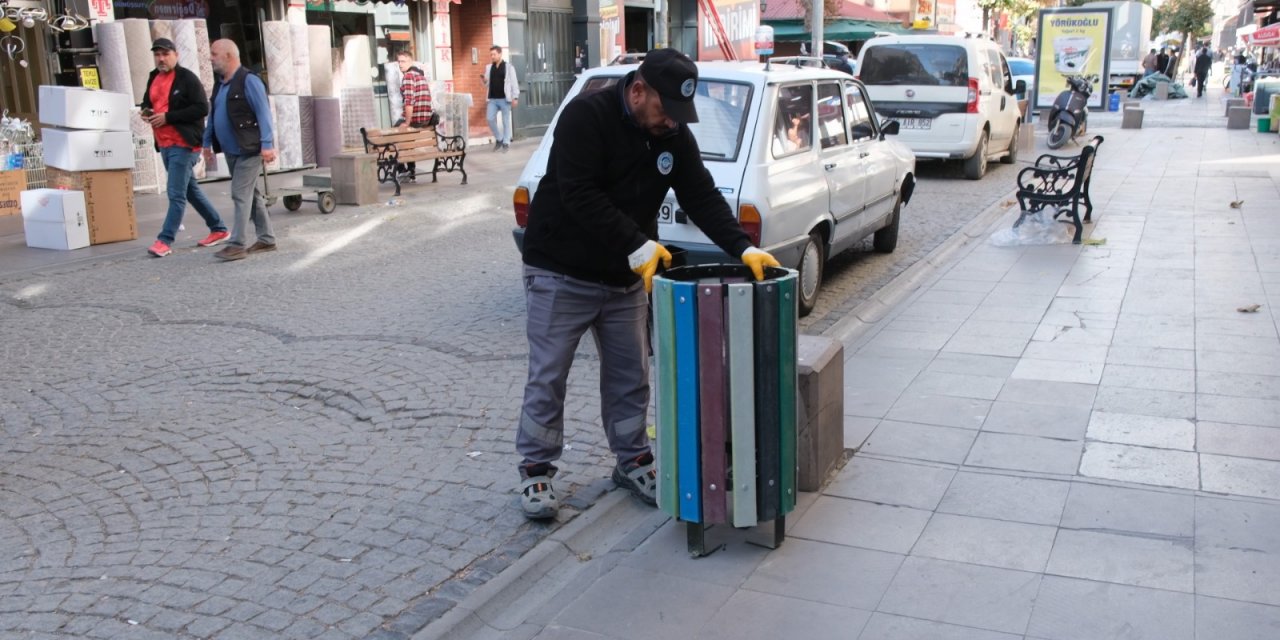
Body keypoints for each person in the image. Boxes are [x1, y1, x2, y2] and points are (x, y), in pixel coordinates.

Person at [515, 48, 780, 520]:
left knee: (631, 376)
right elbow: (579, 194)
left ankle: (633, 459)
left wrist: (742, 248)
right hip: (560, 269)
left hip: (624, 278)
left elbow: (700, 194)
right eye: (665, 109)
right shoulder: (586, 116)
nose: (672, 121)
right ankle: (536, 469)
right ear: (638, 91)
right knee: (549, 374)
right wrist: (637, 244)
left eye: (680, 112)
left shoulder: (672, 134)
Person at [141, 38, 229, 258]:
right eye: (157, 55)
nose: (161, 59)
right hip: (164, 143)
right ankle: (219, 228)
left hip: (184, 143)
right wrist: (146, 111)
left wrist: (168, 117)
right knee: (190, 190)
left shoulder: (187, 78)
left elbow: (202, 108)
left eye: (165, 54)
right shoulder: (153, 77)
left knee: (175, 193)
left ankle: (164, 240)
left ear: (176, 55)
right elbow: (147, 101)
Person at [203, 39, 277, 261]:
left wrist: (267, 145)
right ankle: (267, 239)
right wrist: (206, 143)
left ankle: (237, 244)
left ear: (228, 56)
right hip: (232, 150)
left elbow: (264, 114)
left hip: (249, 150)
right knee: (251, 196)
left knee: (240, 193)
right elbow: (213, 115)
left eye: (214, 54)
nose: (210, 58)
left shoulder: (249, 81)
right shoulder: (220, 84)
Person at [396, 50, 433, 181]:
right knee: (407, 139)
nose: (400, 64)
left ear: (410, 62)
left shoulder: (408, 76)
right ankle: (411, 171)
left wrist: (407, 122)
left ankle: (402, 171)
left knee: (392, 136)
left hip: (416, 118)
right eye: (399, 62)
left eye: (403, 61)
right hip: (425, 118)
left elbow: (409, 101)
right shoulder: (420, 76)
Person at [482, 45, 519, 152]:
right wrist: (484, 81)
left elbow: (514, 83)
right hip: (492, 99)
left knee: (505, 121)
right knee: (490, 119)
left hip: (504, 99)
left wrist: (515, 97)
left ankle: (506, 142)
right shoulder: (489, 67)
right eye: (491, 55)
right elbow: (486, 84)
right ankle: (499, 138)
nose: (492, 56)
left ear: (500, 54)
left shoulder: (509, 67)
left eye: (494, 54)